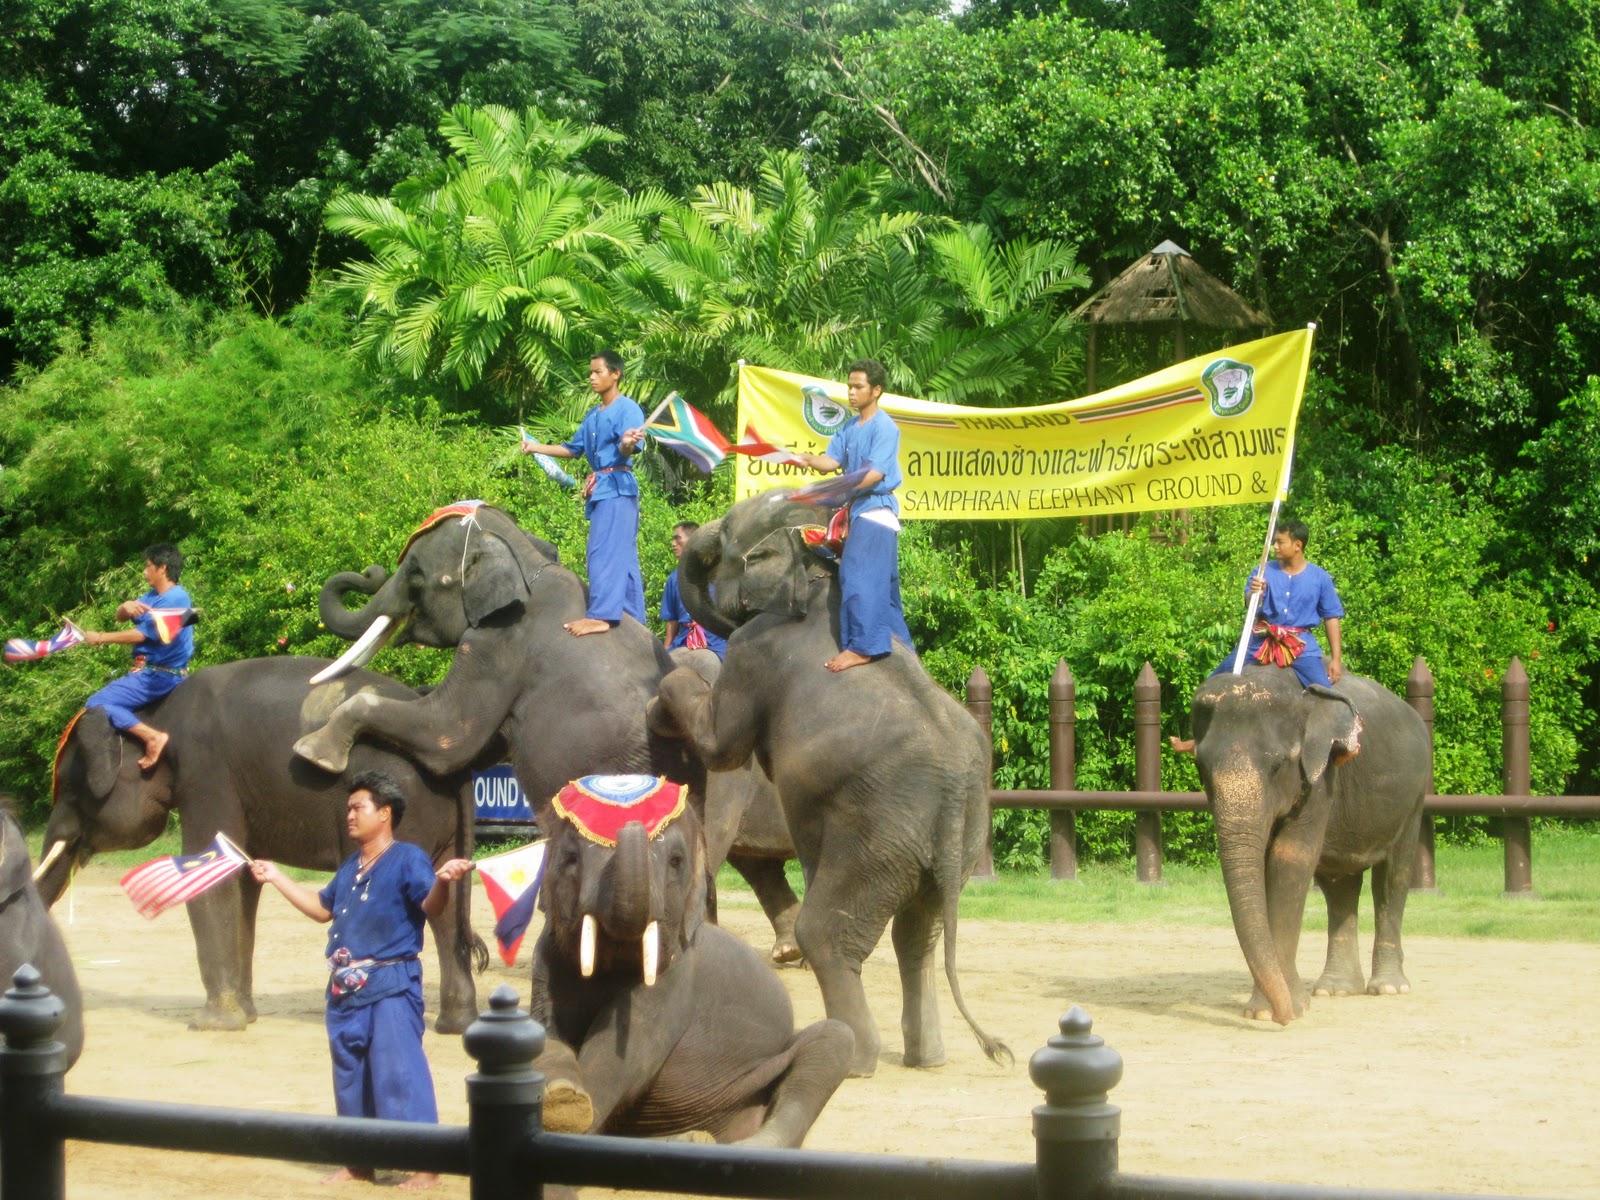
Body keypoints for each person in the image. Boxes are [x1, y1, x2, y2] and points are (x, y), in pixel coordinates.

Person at [251, 772, 474, 1191]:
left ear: (384, 814)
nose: (349, 815)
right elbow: (322, 909)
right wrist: (277, 876)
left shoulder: (408, 858)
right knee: (350, 1078)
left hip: (391, 983)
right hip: (344, 990)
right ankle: (359, 1162)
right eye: (349, 808)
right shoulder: (351, 866)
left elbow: (429, 904)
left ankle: (427, 1165)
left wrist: (443, 881)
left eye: (358, 807)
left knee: (399, 1074)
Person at [1171, 518, 1345, 752]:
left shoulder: (1320, 577)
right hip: (1261, 639)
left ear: (1298, 545)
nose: (1275, 547)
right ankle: (1200, 740)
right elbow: (1249, 603)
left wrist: (1336, 659)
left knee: (1327, 696)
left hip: (1300, 644)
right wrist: (1255, 593)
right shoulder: (1262, 571)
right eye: (1274, 542)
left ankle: (1343, 743)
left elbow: (1331, 617)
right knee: (1214, 681)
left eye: (1280, 542)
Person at [796, 359, 913, 672]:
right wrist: (806, 459)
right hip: (861, 512)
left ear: (876, 390)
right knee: (884, 589)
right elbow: (830, 460)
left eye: (858, 386)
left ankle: (862, 647)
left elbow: (875, 475)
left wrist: (837, 491)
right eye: (849, 386)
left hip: (876, 511)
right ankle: (904, 650)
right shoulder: (849, 426)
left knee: (856, 574)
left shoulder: (885, 427)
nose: (851, 392)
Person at [522, 351, 646, 636]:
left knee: (602, 551)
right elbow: (573, 450)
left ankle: (602, 616)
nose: (591, 377)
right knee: (623, 555)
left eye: (597, 372)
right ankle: (634, 618)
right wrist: (536, 447)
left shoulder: (628, 409)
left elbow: (629, 446)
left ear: (615, 374)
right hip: (601, 490)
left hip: (617, 488)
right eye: (590, 372)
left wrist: (627, 443)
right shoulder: (593, 415)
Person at [80, 543, 195, 769]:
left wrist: (101, 637)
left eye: (147, 566)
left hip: (159, 675)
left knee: (96, 704)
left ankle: (152, 737)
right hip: (147, 672)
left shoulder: (176, 599)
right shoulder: (154, 595)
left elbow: (141, 635)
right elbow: (120, 617)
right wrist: (125, 606)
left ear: (162, 568)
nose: (144, 572)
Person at [659, 521, 726, 657]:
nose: (673, 544)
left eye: (677, 539)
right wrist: (665, 652)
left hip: (717, 644)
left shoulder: (719, 574)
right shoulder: (674, 578)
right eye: (672, 539)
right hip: (684, 643)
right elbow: (672, 623)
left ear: (693, 540)